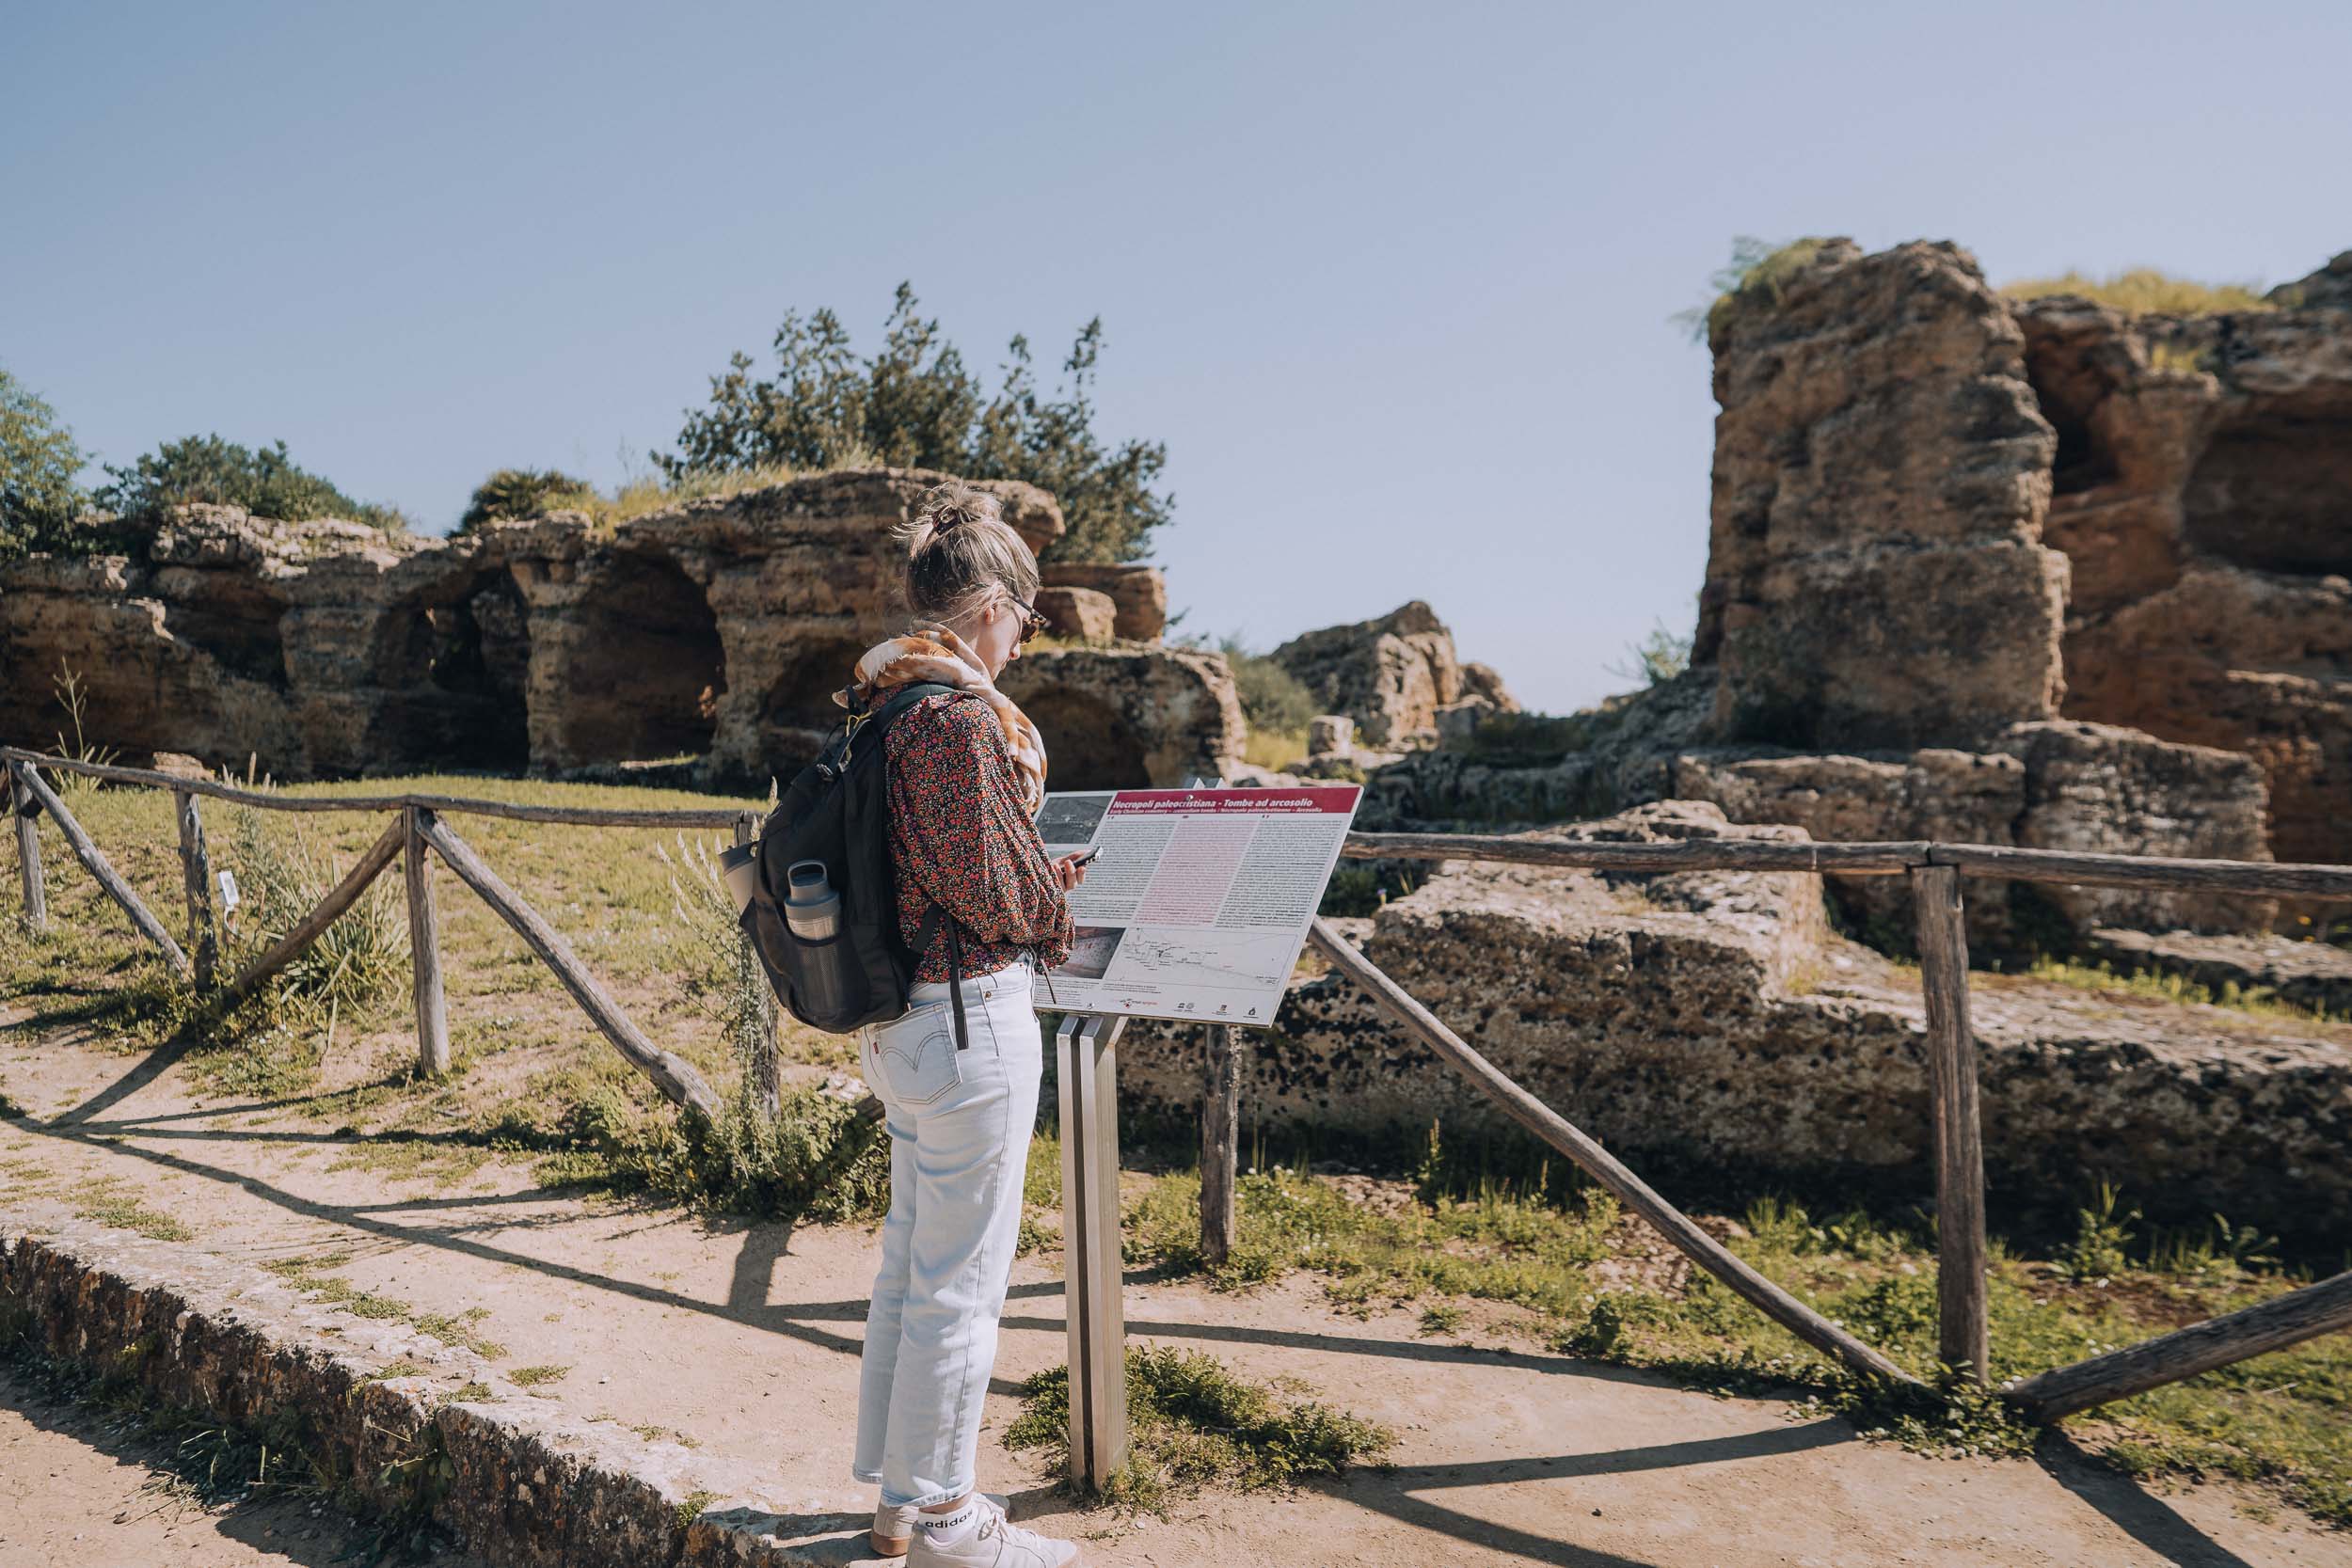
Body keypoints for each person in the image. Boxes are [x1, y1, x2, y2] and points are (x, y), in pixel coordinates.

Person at [845, 480, 1089, 1567]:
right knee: (963, 1278)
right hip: (963, 1017)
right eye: (1024, 619)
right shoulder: (952, 718)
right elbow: (988, 888)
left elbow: (950, 863)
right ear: (991, 603)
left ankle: (901, 1502)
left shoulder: (884, 703)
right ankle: (947, 1516)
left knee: (913, 1263)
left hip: (906, 1019)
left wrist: (1030, 871)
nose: (1023, 642)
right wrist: (1055, 897)